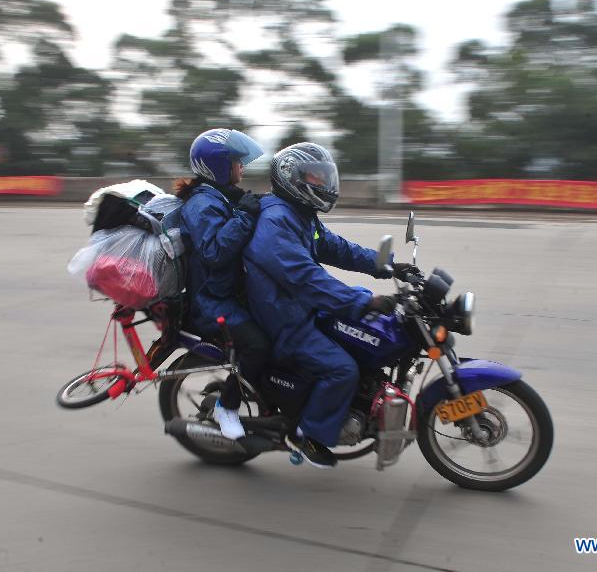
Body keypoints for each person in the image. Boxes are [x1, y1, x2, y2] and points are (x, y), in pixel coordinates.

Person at [243, 142, 418, 468]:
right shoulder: (276, 221)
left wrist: (388, 266)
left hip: (300, 307)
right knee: (342, 368)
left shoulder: (299, 214)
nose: (322, 184)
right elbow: (305, 278)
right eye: (314, 177)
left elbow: (337, 249)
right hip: (283, 318)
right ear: (290, 178)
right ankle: (307, 435)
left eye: (324, 178)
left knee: (364, 327)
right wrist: (364, 301)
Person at [177, 128, 272, 440]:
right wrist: (245, 215)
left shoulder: (219, 197)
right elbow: (215, 251)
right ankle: (227, 408)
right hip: (212, 301)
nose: (242, 168)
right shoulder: (201, 204)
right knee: (259, 345)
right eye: (237, 162)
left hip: (230, 293)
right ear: (218, 166)